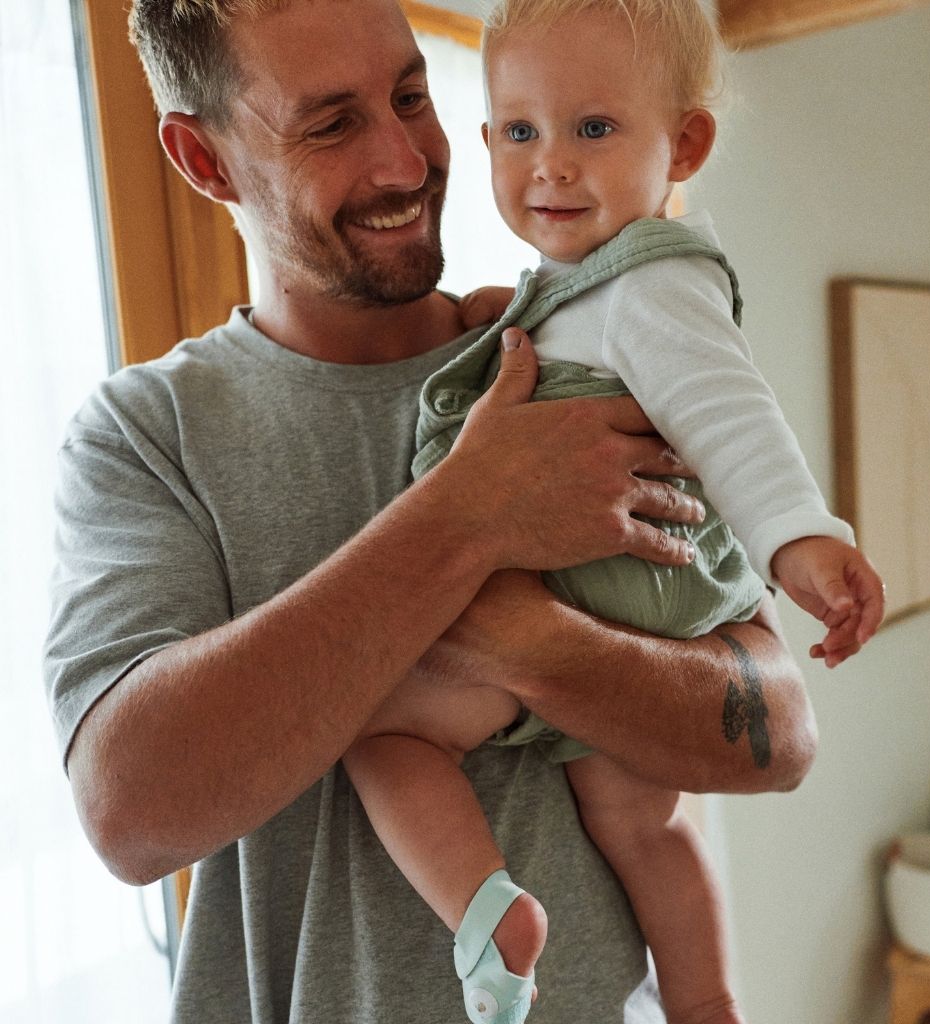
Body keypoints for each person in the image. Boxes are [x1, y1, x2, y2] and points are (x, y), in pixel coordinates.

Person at [43, 1, 820, 1023]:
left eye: (411, 96)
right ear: (204, 159)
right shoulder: (146, 436)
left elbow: (776, 732)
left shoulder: (575, 356)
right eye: (331, 124)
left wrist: (527, 644)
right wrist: (467, 517)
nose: (406, 162)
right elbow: (132, 812)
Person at [344, 1, 886, 1023]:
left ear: (683, 145)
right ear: (487, 139)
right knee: (643, 826)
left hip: (601, 578)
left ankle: (485, 910)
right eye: (520, 130)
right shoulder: (576, 287)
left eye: (592, 128)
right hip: (622, 599)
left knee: (385, 733)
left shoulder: (654, 281)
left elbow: (731, 416)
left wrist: (804, 544)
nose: (550, 164)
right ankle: (706, 1003)